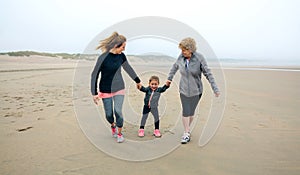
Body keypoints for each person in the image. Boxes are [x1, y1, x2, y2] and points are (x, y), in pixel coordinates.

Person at [166, 37, 220, 144]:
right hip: (183, 89)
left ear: (190, 49)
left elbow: (208, 73)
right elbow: (174, 67)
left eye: (184, 50)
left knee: (191, 112)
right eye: (181, 50)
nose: (182, 52)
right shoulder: (181, 57)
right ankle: (186, 133)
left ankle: (187, 129)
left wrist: (215, 88)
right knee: (186, 111)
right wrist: (169, 78)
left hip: (197, 91)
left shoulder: (199, 58)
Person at [91, 32, 141, 143]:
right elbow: (94, 74)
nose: (123, 49)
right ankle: (113, 125)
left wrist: (137, 81)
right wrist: (94, 93)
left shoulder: (121, 56)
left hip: (119, 87)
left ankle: (119, 133)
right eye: (123, 47)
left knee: (118, 111)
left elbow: (128, 68)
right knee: (109, 115)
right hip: (105, 89)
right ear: (115, 46)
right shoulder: (103, 58)